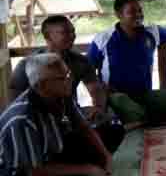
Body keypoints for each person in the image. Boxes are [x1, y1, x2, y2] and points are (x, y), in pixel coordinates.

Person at [0, 54, 117, 176]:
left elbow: (84, 128)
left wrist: (105, 156)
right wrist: (87, 169)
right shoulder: (22, 119)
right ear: (41, 85)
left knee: (113, 131)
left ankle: (84, 167)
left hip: (52, 149)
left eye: (68, 74)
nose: (69, 80)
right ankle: (83, 170)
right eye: (62, 78)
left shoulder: (62, 95)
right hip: (22, 171)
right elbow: (33, 171)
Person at [87, 0, 166, 129]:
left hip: (145, 96)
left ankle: (142, 119)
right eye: (132, 11)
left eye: (140, 10)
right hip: (117, 97)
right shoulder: (104, 38)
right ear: (119, 14)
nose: (138, 15)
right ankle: (145, 119)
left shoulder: (152, 33)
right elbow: (88, 69)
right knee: (125, 104)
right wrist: (101, 88)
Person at [9, 15, 125, 149]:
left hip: (71, 115)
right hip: (41, 121)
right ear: (48, 37)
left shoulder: (80, 61)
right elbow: (14, 96)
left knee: (114, 130)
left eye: (73, 31)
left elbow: (95, 88)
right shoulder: (28, 64)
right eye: (65, 32)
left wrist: (98, 107)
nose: (72, 36)